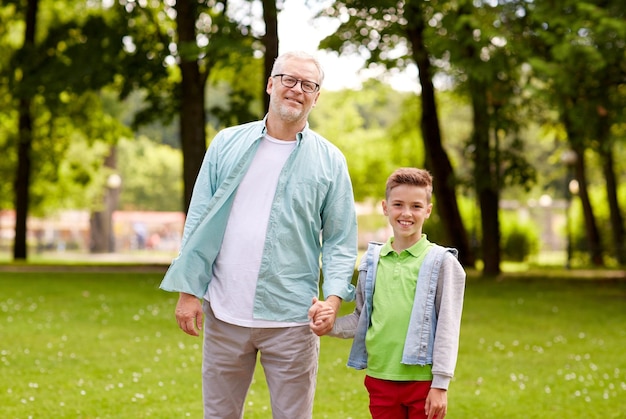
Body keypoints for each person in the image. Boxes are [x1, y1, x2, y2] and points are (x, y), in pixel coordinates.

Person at [159, 50, 358, 419]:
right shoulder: (225, 144)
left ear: (317, 96)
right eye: (289, 79)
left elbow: (340, 241)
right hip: (224, 314)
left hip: (293, 321)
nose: (297, 89)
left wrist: (332, 300)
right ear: (271, 84)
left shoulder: (331, 161)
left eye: (308, 85)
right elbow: (200, 219)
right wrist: (189, 291)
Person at [321, 167, 466, 419]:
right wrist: (328, 325)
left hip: (422, 382)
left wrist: (440, 384)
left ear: (428, 211)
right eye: (398, 204)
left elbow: (448, 328)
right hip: (380, 377)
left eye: (416, 206)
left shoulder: (442, 262)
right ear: (385, 207)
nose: (406, 213)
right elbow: (361, 318)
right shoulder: (371, 261)